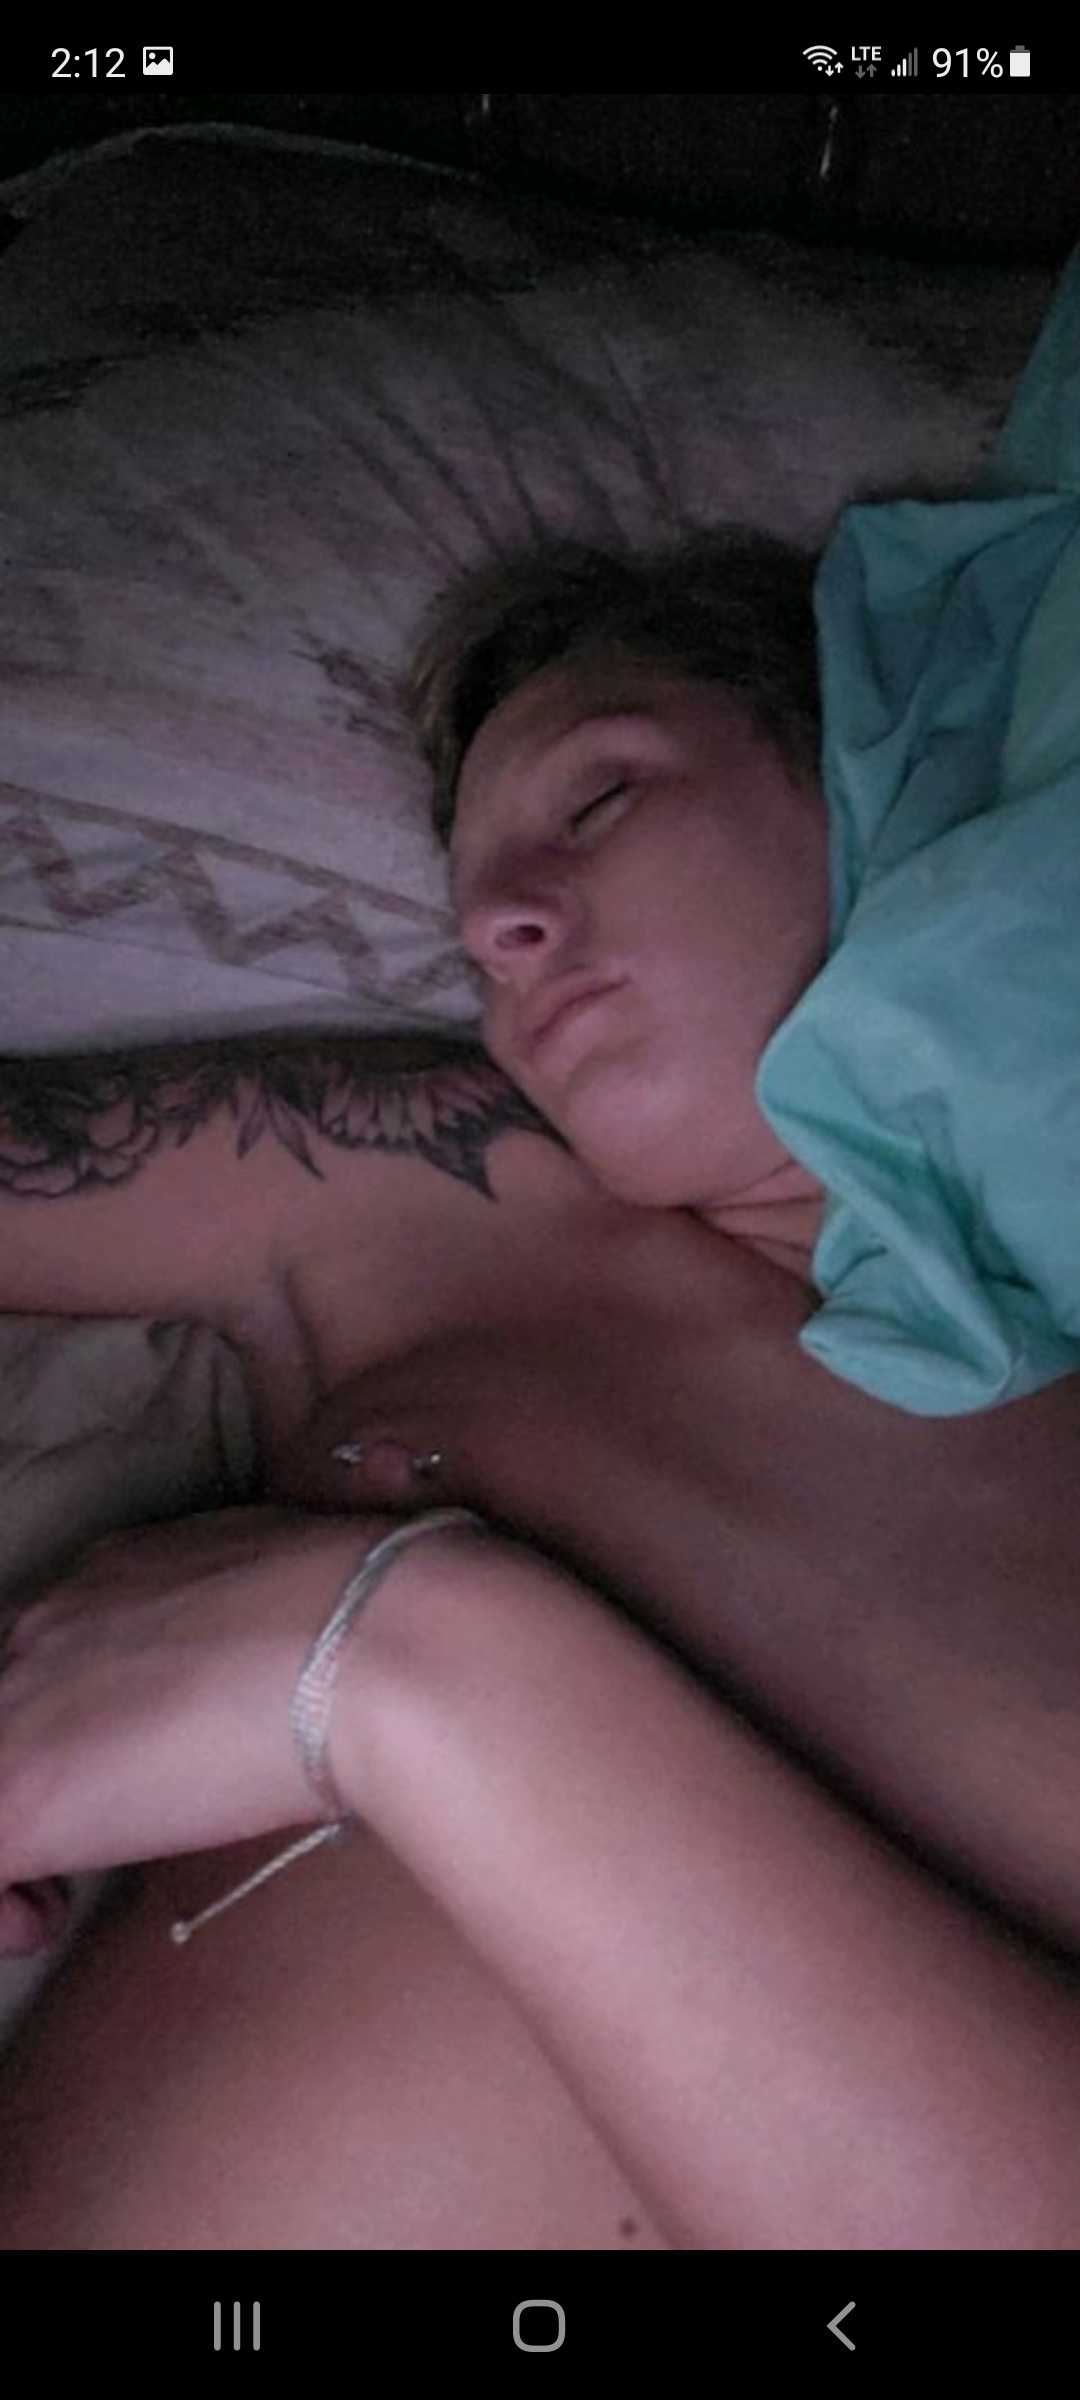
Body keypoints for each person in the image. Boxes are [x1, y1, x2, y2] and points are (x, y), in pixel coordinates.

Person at [2, 228, 1080, 2236]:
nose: (499, 933)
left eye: (596, 802)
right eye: (476, 911)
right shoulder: (446, 1190)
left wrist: (388, 1660)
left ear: (867, 774)